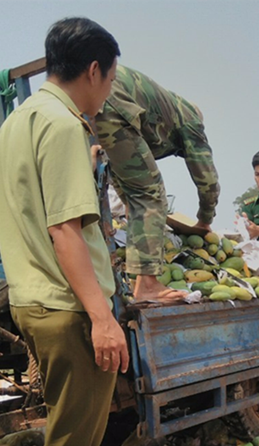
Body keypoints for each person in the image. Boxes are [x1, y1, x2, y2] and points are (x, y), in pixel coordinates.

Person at [0, 18, 129, 446]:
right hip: (66, 304)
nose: (108, 92)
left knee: (66, 434)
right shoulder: (64, 125)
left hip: (31, 297)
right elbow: (64, 231)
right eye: (111, 80)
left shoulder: (18, 122)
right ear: (93, 70)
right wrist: (102, 318)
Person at [95, 66, 220, 302]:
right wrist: (205, 220)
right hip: (110, 97)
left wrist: (130, 205)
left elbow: (120, 164)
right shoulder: (190, 120)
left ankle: (137, 280)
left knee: (141, 197)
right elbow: (207, 179)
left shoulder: (161, 106)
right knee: (152, 195)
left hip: (93, 95)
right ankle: (148, 285)